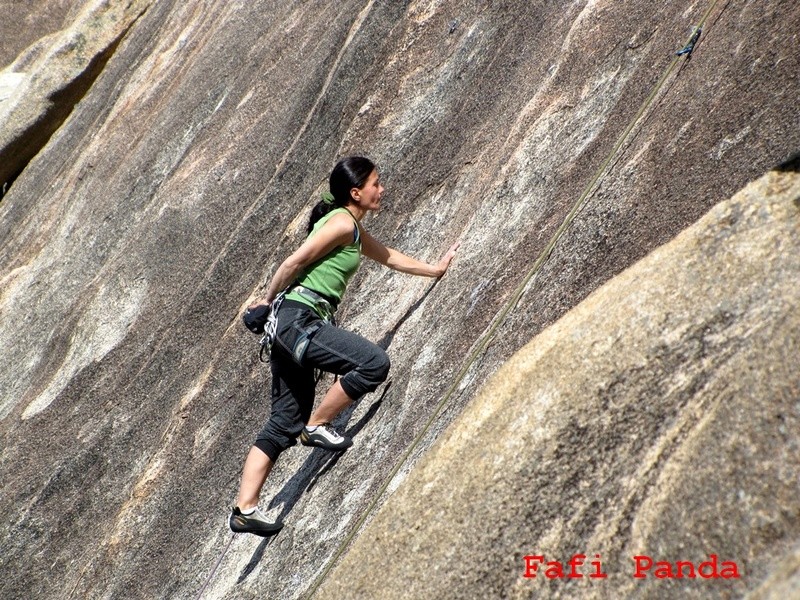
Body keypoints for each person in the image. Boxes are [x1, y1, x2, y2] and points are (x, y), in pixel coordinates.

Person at [230, 156, 459, 535]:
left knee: (283, 422)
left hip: (291, 325)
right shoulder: (341, 222)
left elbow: (388, 256)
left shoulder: (350, 228)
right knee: (372, 363)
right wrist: (266, 300)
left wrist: (435, 268)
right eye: (375, 184)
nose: (381, 189)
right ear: (356, 192)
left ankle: (244, 508)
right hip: (297, 319)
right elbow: (293, 262)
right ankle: (318, 425)